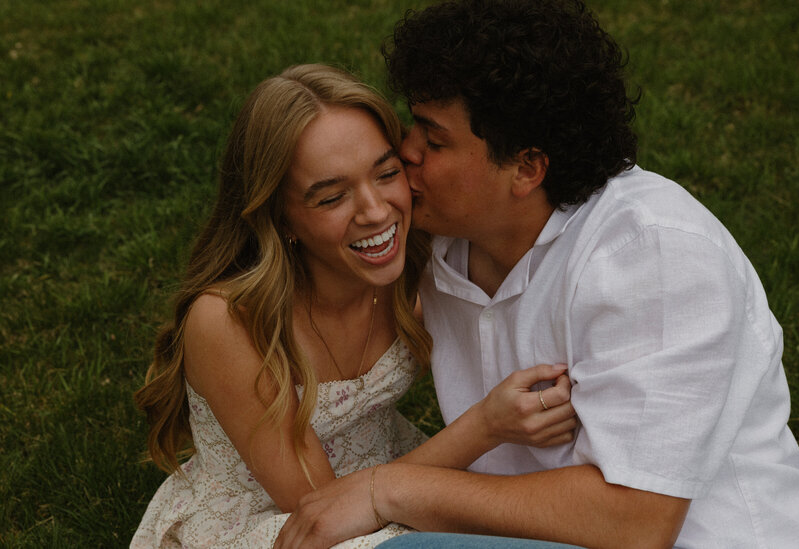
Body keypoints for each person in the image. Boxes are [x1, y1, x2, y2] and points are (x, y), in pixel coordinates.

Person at [274, 2, 799, 548]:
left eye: (433, 140)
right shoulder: (442, 236)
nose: (405, 151)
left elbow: (637, 521)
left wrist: (389, 489)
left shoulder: (651, 253)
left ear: (526, 168)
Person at [130, 63, 577, 548]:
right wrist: (487, 425)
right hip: (283, 524)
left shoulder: (414, 272)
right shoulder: (230, 321)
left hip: (390, 484)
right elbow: (322, 510)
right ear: (282, 218)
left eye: (386, 173)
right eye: (331, 197)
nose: (375, 211)